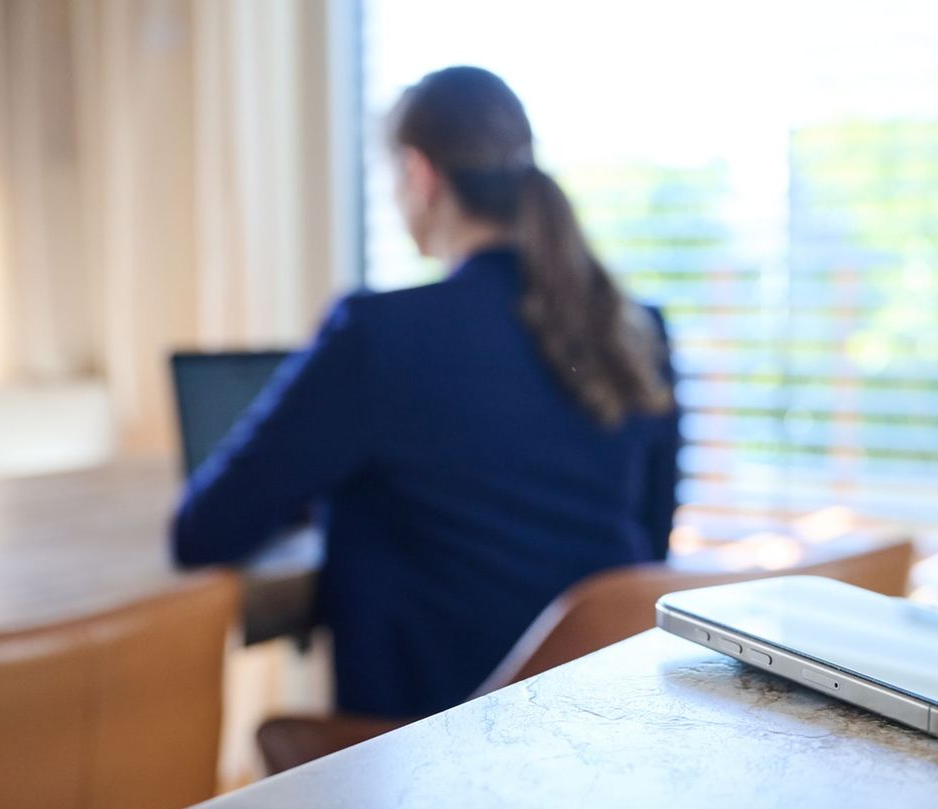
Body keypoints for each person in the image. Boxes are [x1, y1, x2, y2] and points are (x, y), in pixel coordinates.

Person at [171, 66, 681, 720]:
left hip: (428, 752)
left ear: (418, 174)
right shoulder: (635, 330)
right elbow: (649, 552)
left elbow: (204, 529)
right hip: (603, 729)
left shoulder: (376, 334)